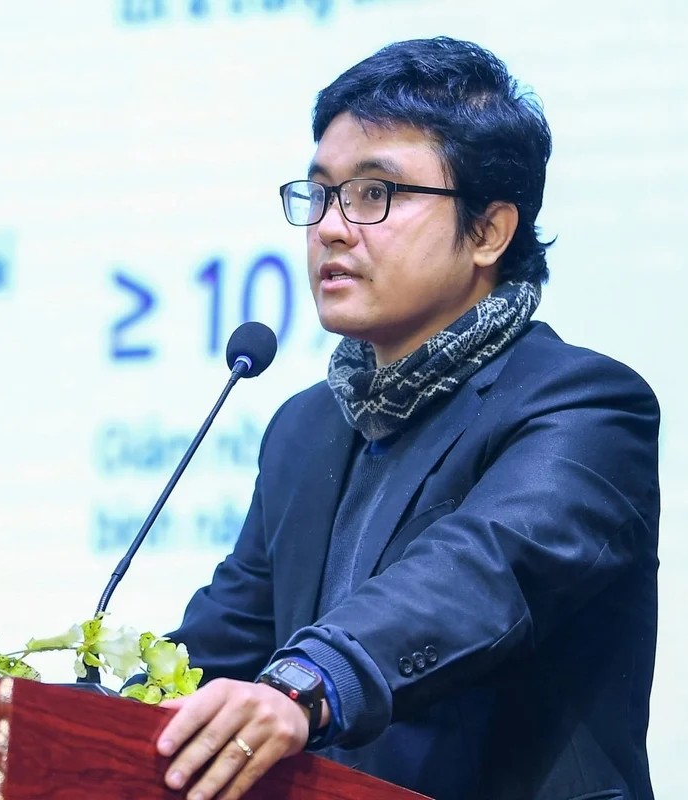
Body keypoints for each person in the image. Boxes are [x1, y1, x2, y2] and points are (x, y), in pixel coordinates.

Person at [153, 37, 660, 800]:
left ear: (489, 231)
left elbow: (479, 575)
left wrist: (303, 686)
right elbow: (216, 649)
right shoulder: (304, 430)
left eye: (374, 193)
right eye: (321, 193)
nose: (330, 227)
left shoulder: (585, 406)